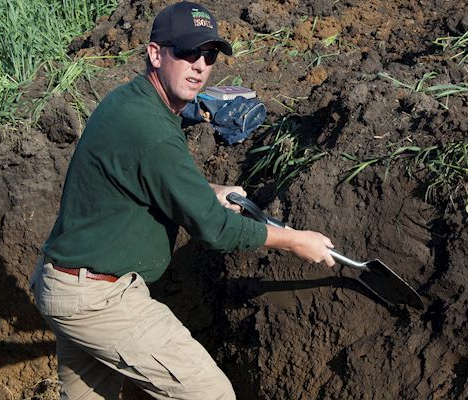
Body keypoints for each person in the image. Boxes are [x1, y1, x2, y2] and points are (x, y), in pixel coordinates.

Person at [30, 2, 335, 399]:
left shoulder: (131, 102)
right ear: (155, 54)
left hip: (65, 282)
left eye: (209, 56)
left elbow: (144, 178)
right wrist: (295, 239)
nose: (200, 66)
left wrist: (208, 191)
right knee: (211, 394)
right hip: (97, 299)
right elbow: (214, 229)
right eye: (188, 52)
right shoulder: (151, 128)